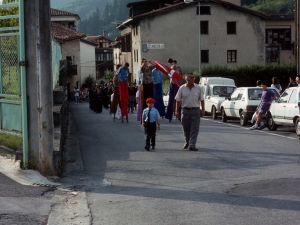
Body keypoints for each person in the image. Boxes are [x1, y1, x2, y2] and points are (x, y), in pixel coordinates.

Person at [175, 73, 205, 151]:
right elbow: (178, 100)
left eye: (193, 77)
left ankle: (192, 145)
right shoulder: (182, 88)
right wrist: (176, 111)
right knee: (186, 129)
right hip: (185, 111)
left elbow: (202, 100)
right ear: (187, 79)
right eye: (191, 77)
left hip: (195, 110)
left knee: (194, 129)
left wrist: (203, 110)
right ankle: (187, 142)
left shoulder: (198, 88)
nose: (193, 79)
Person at [165, 58, 183, 122]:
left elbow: (170, 76)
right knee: (178, 99)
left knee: (171, 100)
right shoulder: (179, 67)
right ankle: (179, 116)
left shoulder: (171, 68)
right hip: (177, 84)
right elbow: (181, 76)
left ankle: (170, 116)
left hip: (173, 83)